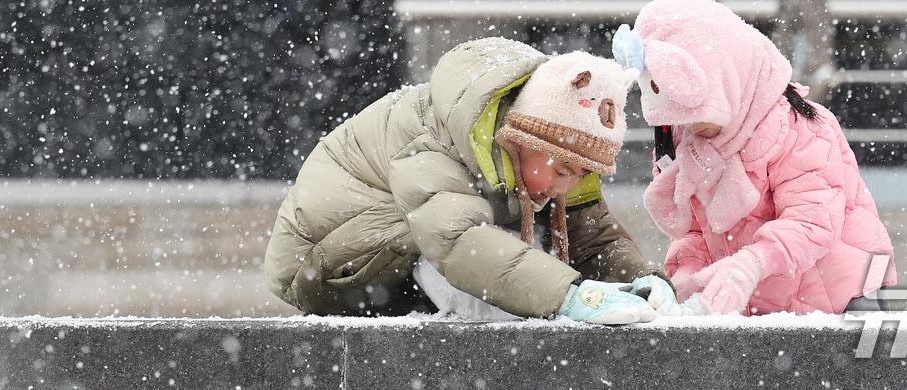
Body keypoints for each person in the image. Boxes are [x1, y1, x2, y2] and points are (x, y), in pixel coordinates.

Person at [264, 37, 677, 323]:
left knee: (527, 257)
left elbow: (595, 239)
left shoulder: (549, 153)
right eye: (562, 171)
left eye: (581, 175)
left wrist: (641, 281)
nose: (565, 187)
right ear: (522, 138)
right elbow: (456, 240)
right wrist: (570, 297)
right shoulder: (433, 136)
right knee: (472, 244)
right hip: (324, 262)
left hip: (395, 256)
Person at [612, 0, 897, 315]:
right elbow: (693, 232)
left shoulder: (798, 127)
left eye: (697, 113)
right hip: (765, 308)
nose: (691, 127)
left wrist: (750, 265)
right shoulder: (680, 137)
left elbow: (812, 221)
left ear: (727, 78)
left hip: (843, 296)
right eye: (680, 117)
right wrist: (685, 280)